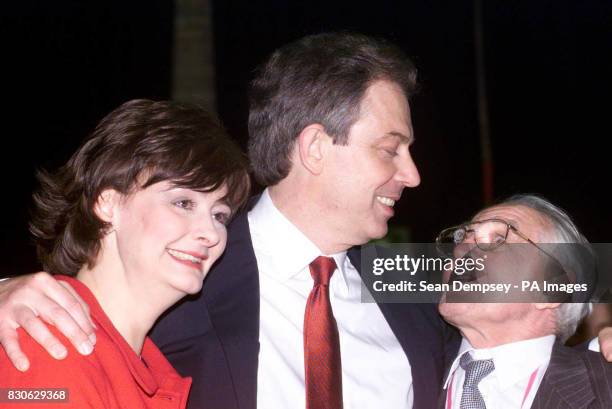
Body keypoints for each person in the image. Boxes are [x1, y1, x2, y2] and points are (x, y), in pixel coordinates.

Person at [0, 33, 610, 409]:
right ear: (317, 148)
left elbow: (567, 278)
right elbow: (86, 308)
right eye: (390, 147)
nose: (414, 175)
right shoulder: (187, 267)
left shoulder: (410, 281)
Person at [0, 99, 250, 408]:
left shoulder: (150, 370)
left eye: (219, 215)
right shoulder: (51, 351)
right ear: (108, 204)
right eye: (183, 203)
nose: (212, 234)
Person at [437, 195, 612, 409]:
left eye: (499, 239)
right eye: (462, 236)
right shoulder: (408, 371)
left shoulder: (604, 386)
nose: (462, 249)